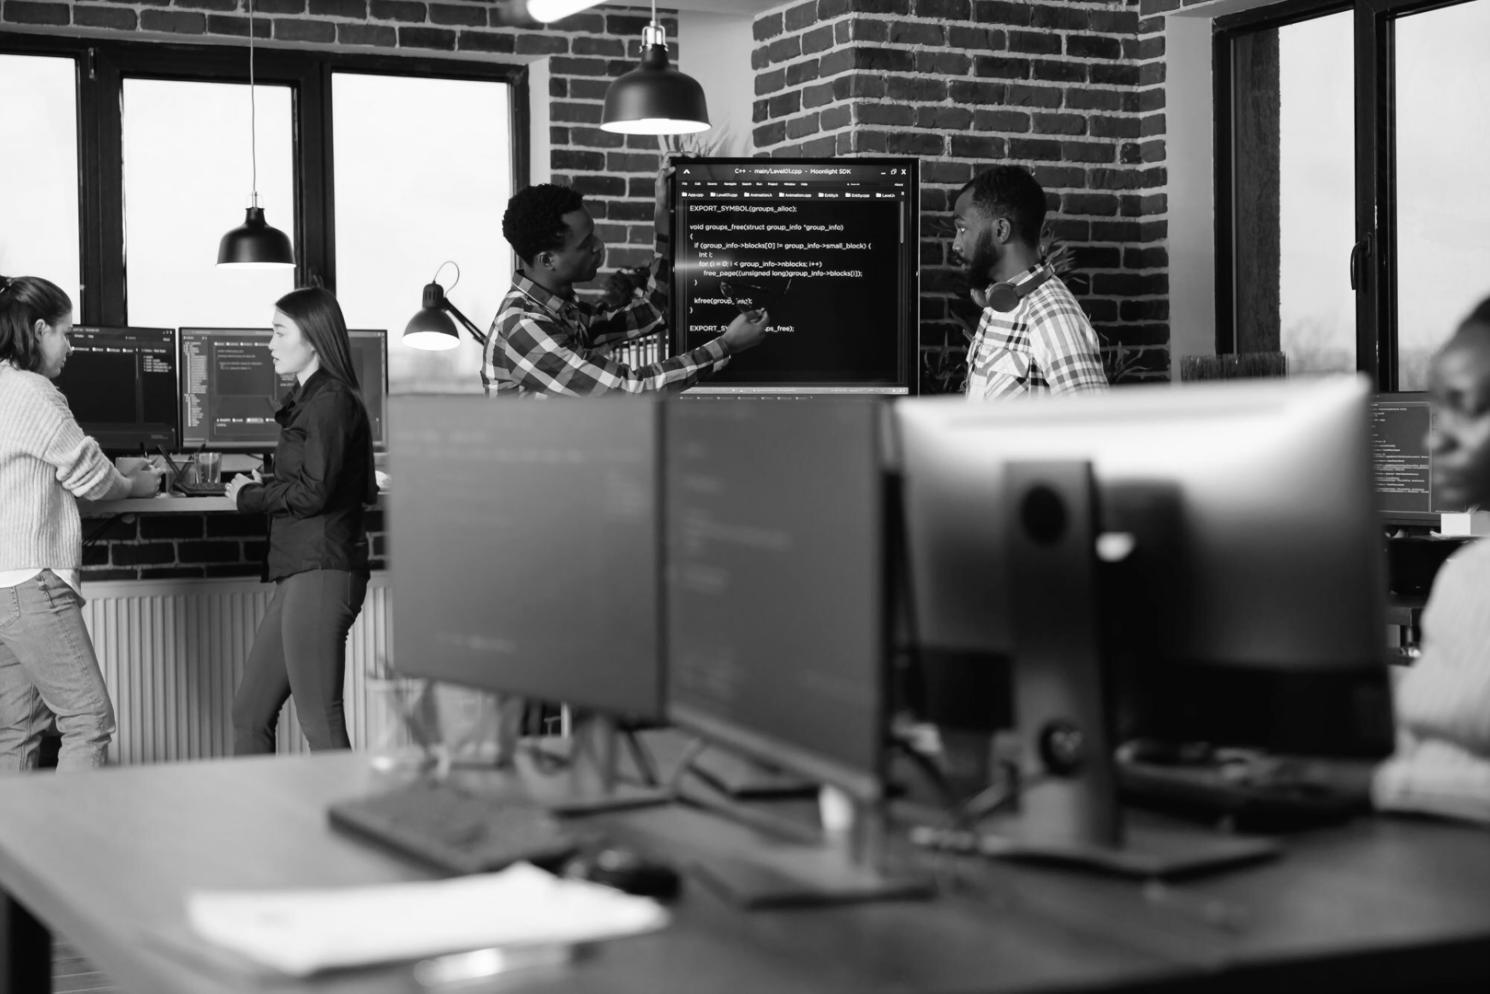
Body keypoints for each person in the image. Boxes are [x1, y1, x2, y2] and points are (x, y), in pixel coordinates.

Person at [1278, 296, 1490, 824]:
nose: (1432, 437)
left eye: (1463, 407)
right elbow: (1442, 723)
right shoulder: (1466, 575)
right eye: (1435, 411)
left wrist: (1377, 783)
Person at [0, 274, 162, 771]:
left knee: (18, 733)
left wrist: (111, 467)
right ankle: (74, 847)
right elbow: (90, 477)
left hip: (4, 587)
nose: (70, 347)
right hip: (33, 580)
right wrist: (135, 484)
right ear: (39, 328)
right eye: (66, 334)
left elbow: (46, 463)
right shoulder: (33, 391)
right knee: (88, 720)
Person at [224, 287, 375, 754]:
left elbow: (315, 490)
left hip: (323, 570)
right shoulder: (311, 399)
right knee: (249, 714)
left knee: (320, 721)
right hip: (300, 570)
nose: (269, 343)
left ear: (311, 338)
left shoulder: (330, 401)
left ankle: (350, 824)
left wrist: (249, 496)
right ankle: (261, 825)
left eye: (278, 331)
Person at [483, 181, 770, 396]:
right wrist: (726, 345)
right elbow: (627, 390)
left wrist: (662, 219)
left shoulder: (562, 311)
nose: (598, 246)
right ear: (548, 260)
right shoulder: (525, 326)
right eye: (585, 244)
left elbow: (652, 311)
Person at [951, 165, 1108, 400]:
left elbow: (1094, 427)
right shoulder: (998, 303)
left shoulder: (1053, 317)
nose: (956, 244)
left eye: (962, 229)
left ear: (1001, 230)